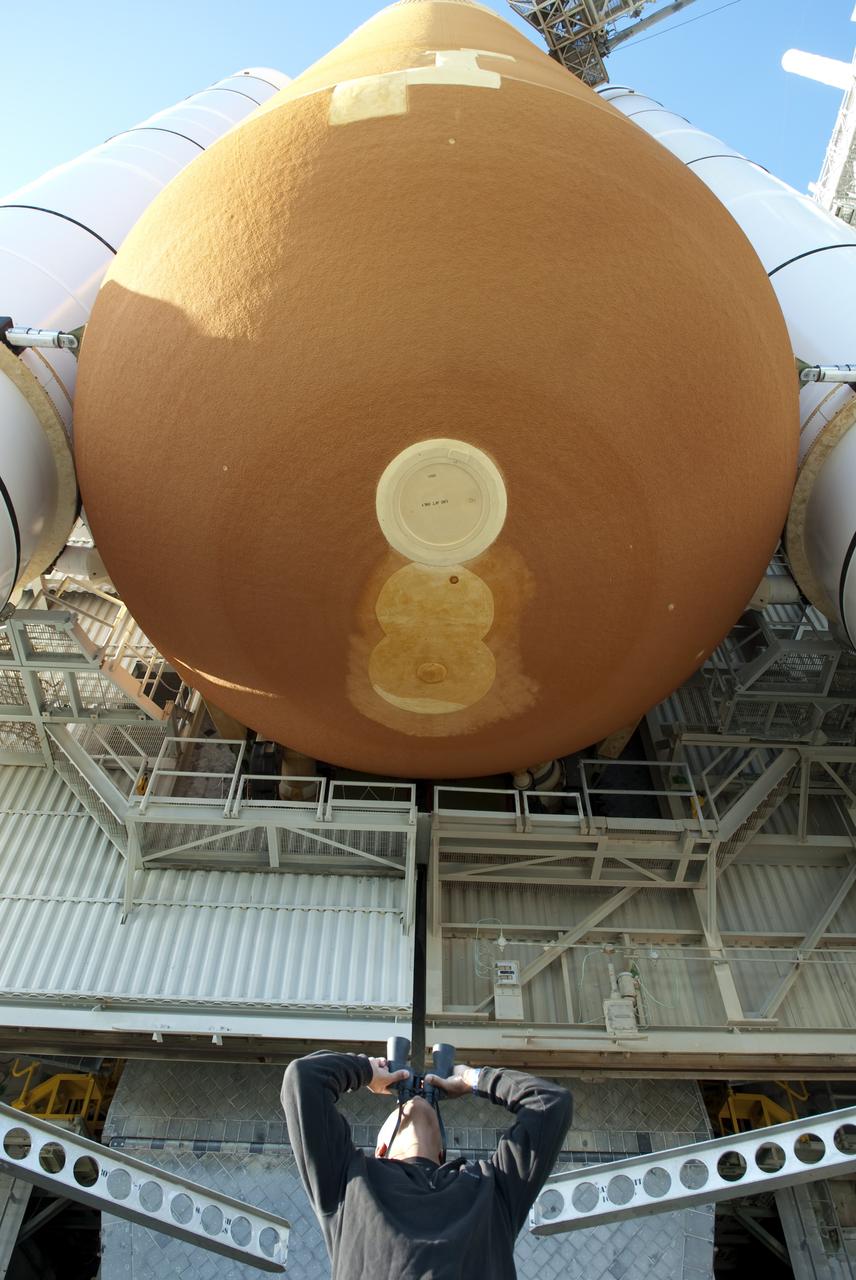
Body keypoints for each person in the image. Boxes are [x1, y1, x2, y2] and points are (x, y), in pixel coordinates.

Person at [281, 1050, 572, 1279]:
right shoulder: (351, 1179)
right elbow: (301, 1078)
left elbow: (550, 1104)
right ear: (380, 1150)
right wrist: (368, 1069)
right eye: (401, 1106)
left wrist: (473, 1078)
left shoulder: (488, 1185)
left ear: (444, 1154)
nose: (415, 1100)